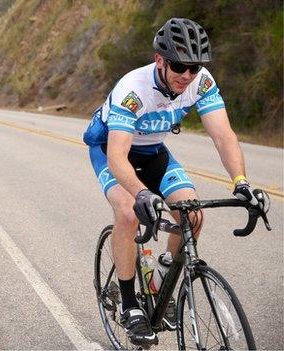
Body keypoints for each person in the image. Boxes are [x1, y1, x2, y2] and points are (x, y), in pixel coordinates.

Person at [83, 18, 270, 346]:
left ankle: (160, 284)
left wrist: (242, 182)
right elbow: (117, 156)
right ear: (160, 60)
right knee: (128, 212)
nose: (187, 75)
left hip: (154, 151)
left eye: (194, 67)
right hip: (114, 150)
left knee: (192, 214)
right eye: (180, 66)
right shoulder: (133, 90)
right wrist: (141, 193)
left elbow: (224, 136)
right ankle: (130, 307)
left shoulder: (201, 82)